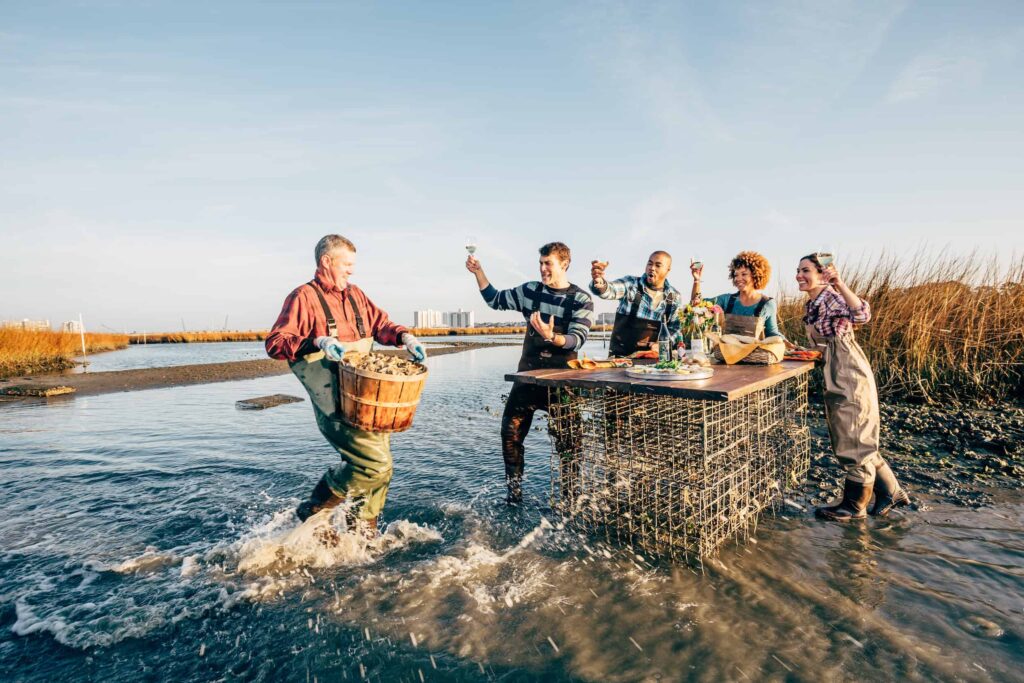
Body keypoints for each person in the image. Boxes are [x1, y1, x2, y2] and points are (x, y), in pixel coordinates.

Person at [266, 234, 427, 537]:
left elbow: (382, 325)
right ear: (326, 261)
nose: (352, 271)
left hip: (368, 402)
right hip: (332, 404)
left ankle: (362, 534)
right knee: (375, 465)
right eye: (347, 264)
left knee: (383, 470)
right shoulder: (303, 297)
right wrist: (317, 340)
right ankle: (313, 509)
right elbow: (275, 343)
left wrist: (406, 337)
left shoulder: (356, 295)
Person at [466, 242, 594, 504]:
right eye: (541, 263)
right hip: (527, 378)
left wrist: (553, 337)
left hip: (562, 383)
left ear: (564, 264)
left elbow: (577, 339)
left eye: (548, 263)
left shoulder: (581, 299)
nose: (543, 269)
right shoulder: (529, 291)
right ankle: (514, 495)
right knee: (509, 435)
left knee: (570, 443)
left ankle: (570, 499)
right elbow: (495, 300)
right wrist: (479, 272)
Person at [796, 253, 909, 520]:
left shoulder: (832, 295)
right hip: (835, 369)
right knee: (855, 433)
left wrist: (840, 283)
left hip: (848, 370)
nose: (799, 275)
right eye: (798, 270)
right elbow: (823, 342)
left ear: (822, 273)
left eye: (805, 270)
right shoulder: (813, 302)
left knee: (854, 436)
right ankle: (891, 491)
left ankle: (854, 507)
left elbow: (862, 314)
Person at [590, 251, 683, 357]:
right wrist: (600, 284)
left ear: (668, 270)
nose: (652, 268)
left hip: (654, 362)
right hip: (621, 360)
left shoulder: (674, 297)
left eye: (658, 265)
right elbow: (610, 290)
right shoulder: (631, 284)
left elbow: (675, 328)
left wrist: (663, 343)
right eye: (650, 263)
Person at [690, 251, 783, 339]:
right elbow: (697, 304)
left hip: (754, 355)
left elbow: (772, 333)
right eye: (736, 275)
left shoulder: (767, 304)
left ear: (756, 275)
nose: (738, 278)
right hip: (726, 354)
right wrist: (697, 280)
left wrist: (787, 345)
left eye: (744, 274)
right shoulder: (727, 300)